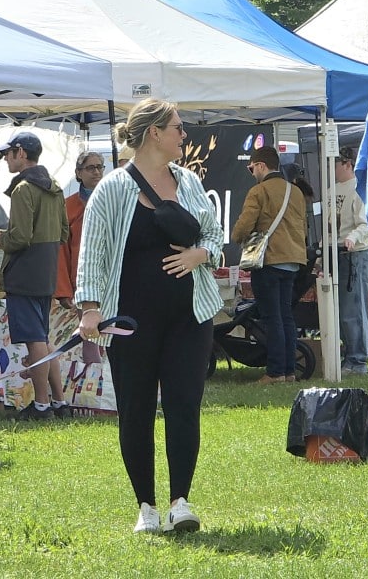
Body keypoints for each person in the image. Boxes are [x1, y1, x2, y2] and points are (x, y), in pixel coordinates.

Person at [75, 98, 224, 534]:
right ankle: (147, 507)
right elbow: (94, 252)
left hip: (189, 317)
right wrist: (90, 307)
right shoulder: (113, 188)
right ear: (154, 134)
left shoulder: (190, 182)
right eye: (177, 128)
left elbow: (215, 235)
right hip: (130, 321)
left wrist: (201, 253)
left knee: (183, 407)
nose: (184, 135)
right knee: (135, 412)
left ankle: (181, 501)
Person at [0, 131, 69, 420]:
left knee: (36, 340)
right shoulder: (56, 187)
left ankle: (42, 405)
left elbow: (20, 237)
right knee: (44, 338)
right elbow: (64, 232)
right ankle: (59, 402)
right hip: (46, 269)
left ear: (20, 153)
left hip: (24, 272)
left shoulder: (24, 188)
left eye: (8, 153)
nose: (5, 159)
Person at [231, 145, 307, 385]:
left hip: (268, 260)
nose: (251, 171)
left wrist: (237, 237)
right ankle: (288, 371)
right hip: (293, 261)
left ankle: (275, 372)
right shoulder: (295, 192)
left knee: (272, 318)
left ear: (261, 165)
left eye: (251, 167)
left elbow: (244, 226)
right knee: (286, 317)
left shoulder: (259, 191)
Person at [334, 146, 368, 375]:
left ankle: (358, 361)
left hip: (356, 254)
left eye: (336, 164)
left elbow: (364, 224)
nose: (333, 169)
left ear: (348, 164)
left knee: (354, 309)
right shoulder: (332, 189)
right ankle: (348, 356)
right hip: (337, 253)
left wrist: (351, 238)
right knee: (342, 311)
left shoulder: (359, 189)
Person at [55, 151, 105, 309]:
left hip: (111, 279)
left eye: (99, 167)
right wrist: (63, 291)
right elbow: (61, 250)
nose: (96, 172)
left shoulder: (116, 201)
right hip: (82, 283)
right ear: (78, 173)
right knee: (90, 333)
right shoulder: (67, 206)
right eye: (90, 168)